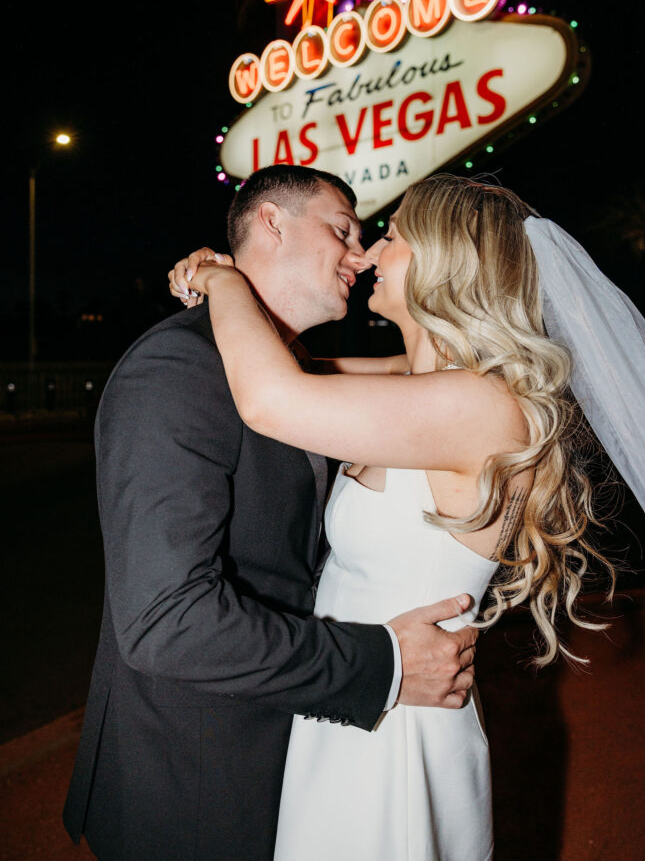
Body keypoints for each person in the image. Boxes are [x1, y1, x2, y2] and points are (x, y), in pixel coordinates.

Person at [172, 173, 645, 861]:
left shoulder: (483, 404)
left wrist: (221, 278)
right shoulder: (416, 383)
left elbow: (269, 399)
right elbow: (284, 363)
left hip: (397, 722)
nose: (370, 253)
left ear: (444, 258)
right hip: (361, 690)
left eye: (392, 236)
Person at [62, 165, 479, 861]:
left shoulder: (294, 371)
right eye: (342, 230)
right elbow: (168, 624)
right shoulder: (178, 368)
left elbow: (425, 382)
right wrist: (382, 664)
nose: (359, 253)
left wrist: (225, 281)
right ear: (271, 223)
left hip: (290, 745)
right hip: (196, 779)